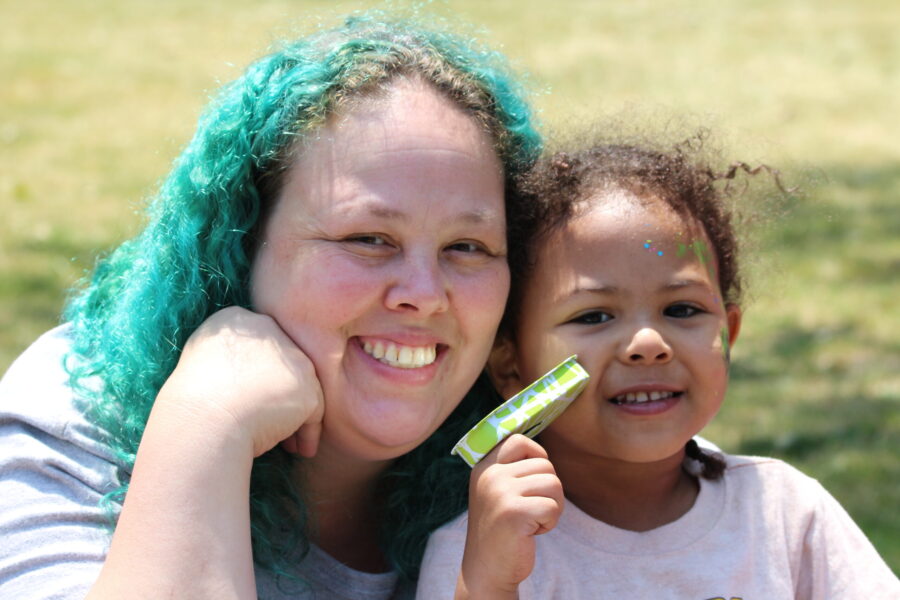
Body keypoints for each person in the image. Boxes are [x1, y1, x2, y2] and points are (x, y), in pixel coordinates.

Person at [0, 11, 542, 600]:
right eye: (367, 239)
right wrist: (207, 423)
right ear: (241, 242)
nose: (426, 293)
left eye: (467, 247)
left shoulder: (538, 472)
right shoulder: (71, 421)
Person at [416, 135, 900, 598]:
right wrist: (488, 587)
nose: (648, 344)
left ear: (728, 333)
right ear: (510, 364)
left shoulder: (786, 515)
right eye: (594, 316)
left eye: (682, 310)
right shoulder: (481, 546)